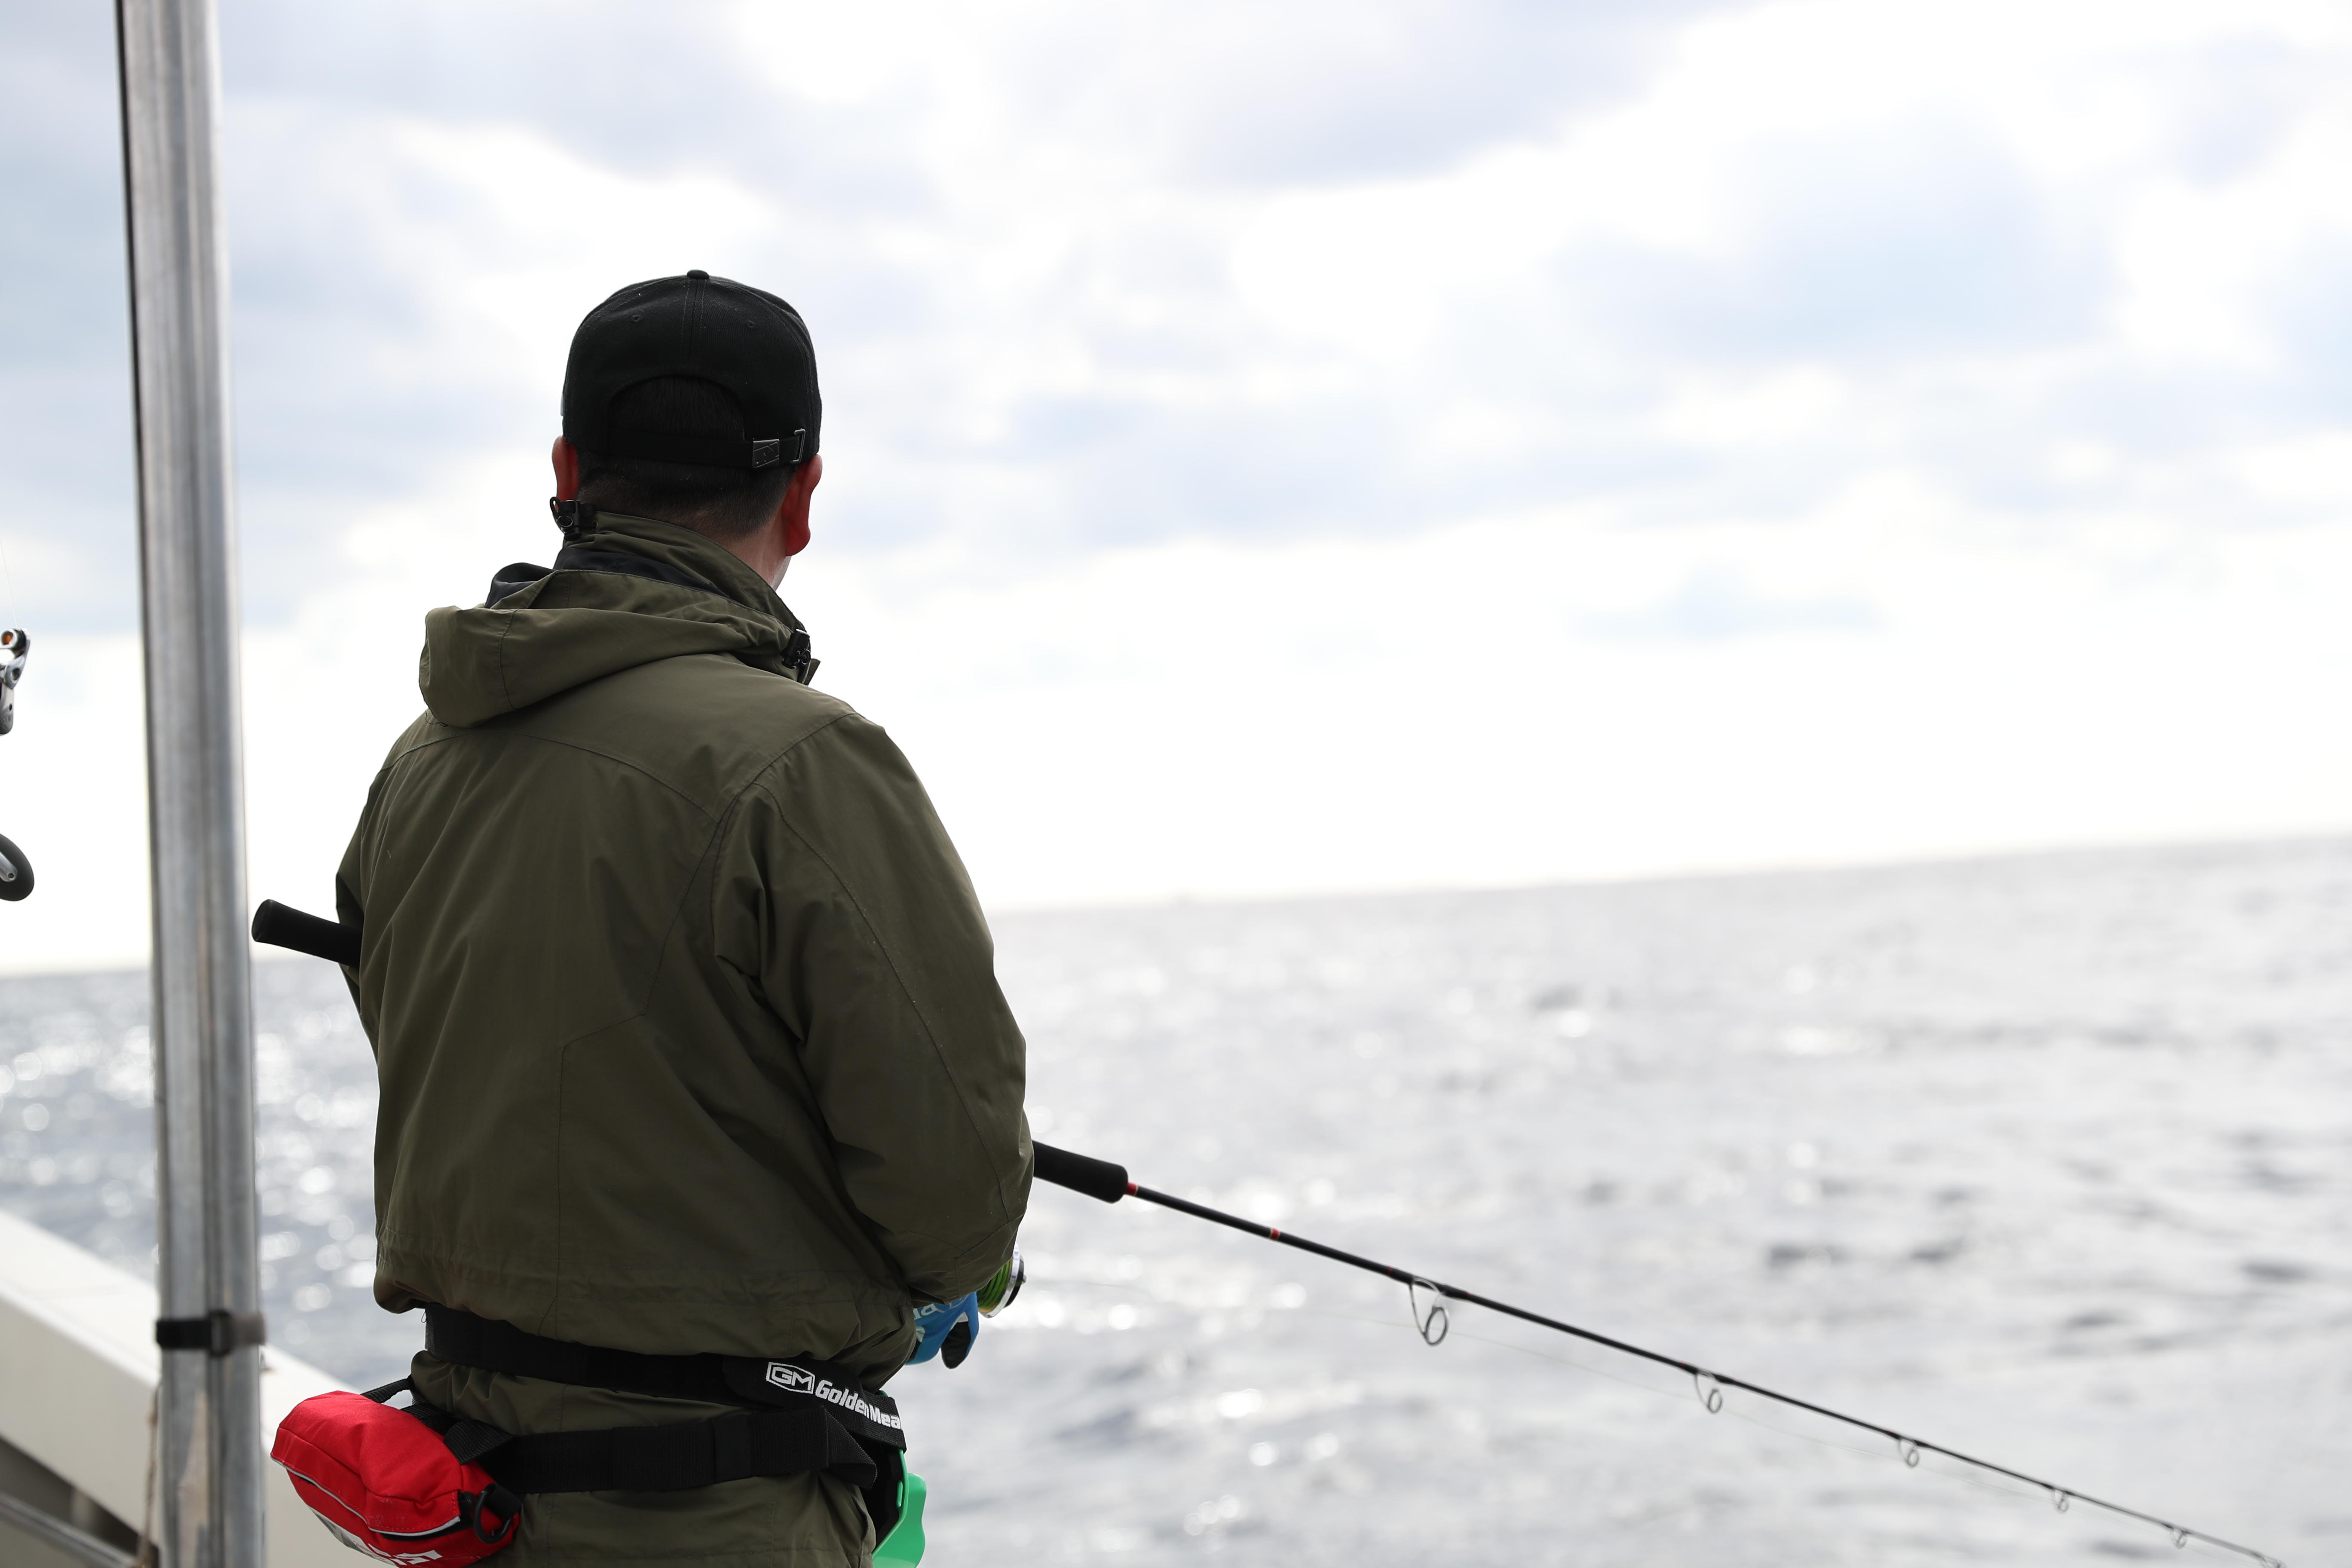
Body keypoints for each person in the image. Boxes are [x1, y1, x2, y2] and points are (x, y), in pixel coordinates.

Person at [334, 270, 1031, 1565]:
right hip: (720, 1517)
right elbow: (955, 1197)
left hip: (466, 1503)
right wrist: (952, 1274)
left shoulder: (422, 760)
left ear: (567, 469)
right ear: (806, 496)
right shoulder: (809, 763)